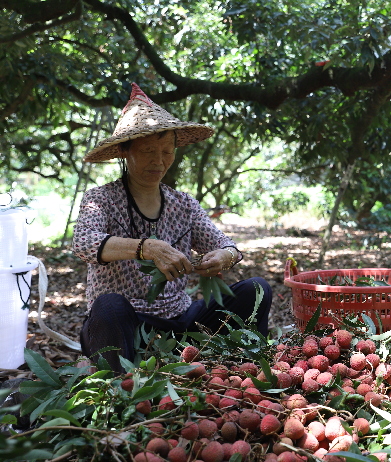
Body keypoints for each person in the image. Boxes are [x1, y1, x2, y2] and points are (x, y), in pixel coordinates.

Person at [74, 84, 272, 372]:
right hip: (127, 325)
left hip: (180, 323)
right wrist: (145, 248)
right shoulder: (100, 199)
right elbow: (84, 243)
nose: (159, 160)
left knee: (257, 289)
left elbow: (226, 244)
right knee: (108, 307)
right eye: (148, 151)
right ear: (123, 153)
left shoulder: (183, 204)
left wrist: (223, 257)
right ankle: (117, 382)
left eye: (167, 151)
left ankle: (248, 365)